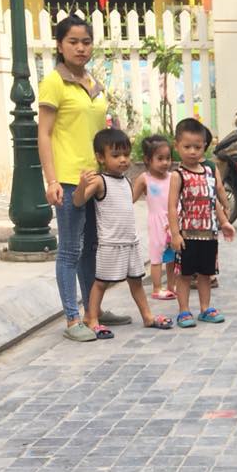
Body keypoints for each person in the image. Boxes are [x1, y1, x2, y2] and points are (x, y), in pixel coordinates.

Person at [37, 15, 129, 342]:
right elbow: (44, 134)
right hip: (68, 179)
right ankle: (72, 318)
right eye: (73, 42)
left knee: (92, 247)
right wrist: (51, 181)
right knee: (70, 250)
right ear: (60, 45)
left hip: (96, 178)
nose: (80, 48)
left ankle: (93, 311)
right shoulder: (54, 82)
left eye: (86, 42)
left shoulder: (92, 82)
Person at [74, 129, 174, 336]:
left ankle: (147, 316)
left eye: (126, 155)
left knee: (136, 281)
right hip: (110, 243)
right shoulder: (100, 181)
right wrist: (82, 185)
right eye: (116, 155)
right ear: (101, 157)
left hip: (130, 242)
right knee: (101, 283)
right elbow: (78, 201)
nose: (123, 160)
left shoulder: (126, 181)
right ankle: (91, 318)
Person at [168, 118, 236, 327]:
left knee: (206, 274)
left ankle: (205, 308)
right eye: (187, 147)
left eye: (197, 147)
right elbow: (172, 207)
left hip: (208, 234)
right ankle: (184, 310)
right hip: (187, 234)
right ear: (177, 146)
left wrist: (224, 222)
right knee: (185, 275)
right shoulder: (178, 175)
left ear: (204, 146)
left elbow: (212, 200)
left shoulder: (209, 171)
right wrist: (175, 234)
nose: (192, 151)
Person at [132, 134, 176, 301]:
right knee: (157, 256)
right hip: (157, 223)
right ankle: (157, 288)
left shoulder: (173, 177)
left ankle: (172, 286)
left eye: (168, 158)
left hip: (173, 221)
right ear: (147, 159)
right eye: (160, 158)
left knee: (173, 256)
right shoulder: (145, 179)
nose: (165, 162)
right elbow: (131, 199)